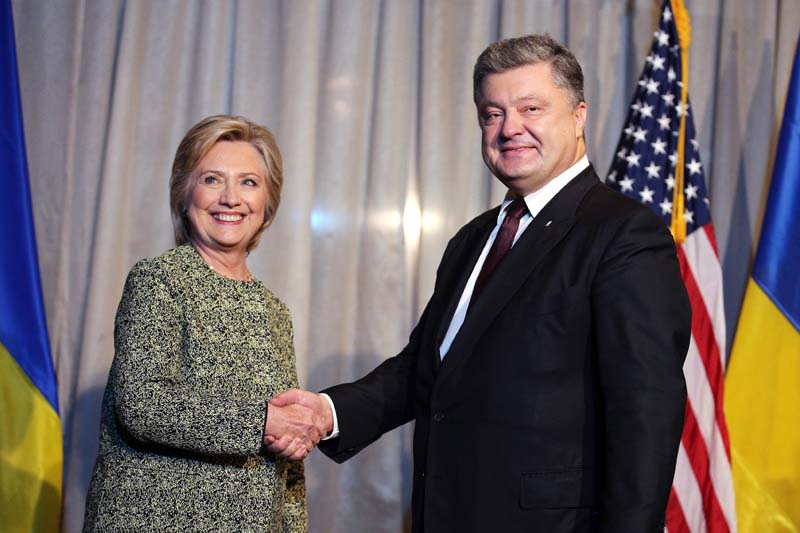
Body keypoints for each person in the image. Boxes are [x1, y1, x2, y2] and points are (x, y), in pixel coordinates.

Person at [272, 34, 691, 532]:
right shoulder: (473, 239)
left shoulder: (623, 234)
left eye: (530, 107)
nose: (509, 128)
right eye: (492, 114)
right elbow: (425, 370)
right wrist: (327, 411)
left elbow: (645, 412)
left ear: (579, 116)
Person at [83, 115, 320, 532]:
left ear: (267, 203)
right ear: (184, 193)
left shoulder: (275, 310)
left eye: (248, 182)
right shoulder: (159, 280)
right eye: (212, 179)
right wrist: (260, 423)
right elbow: (142, 405)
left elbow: (288, 453)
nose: (231, 198)